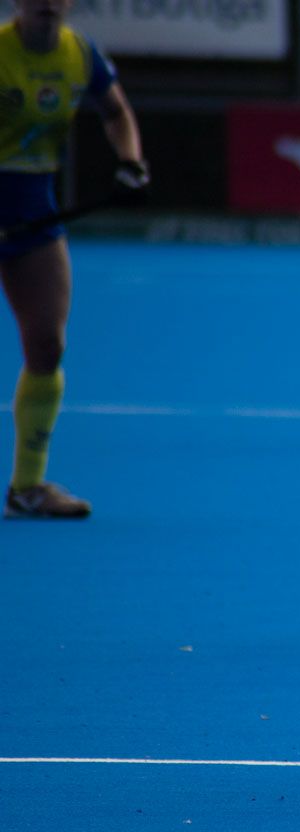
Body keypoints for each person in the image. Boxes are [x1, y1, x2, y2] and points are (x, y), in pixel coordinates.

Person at [2, 0, 146, 518]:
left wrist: (130, 162)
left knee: (47, 342)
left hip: (32, 210)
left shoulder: (79, 55)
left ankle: (27, 488)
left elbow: (117, 112)